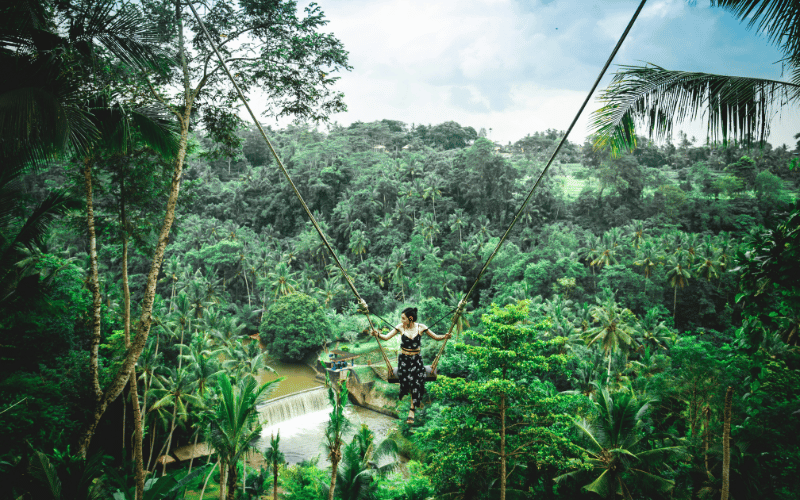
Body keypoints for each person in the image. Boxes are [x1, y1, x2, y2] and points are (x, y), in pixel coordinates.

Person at [371, 307, 451, 424]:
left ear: (411, 318)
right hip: (404, 359)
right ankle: (409, 397)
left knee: (416, 379)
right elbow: (387, 337)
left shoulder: (421, 327)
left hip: (416, 359)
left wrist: (445, 336)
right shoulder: (400, 327)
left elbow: (435, 337)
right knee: (405, 377)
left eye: (403, 318)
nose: (401, 320)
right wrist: (377, 334)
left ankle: (412, 409)